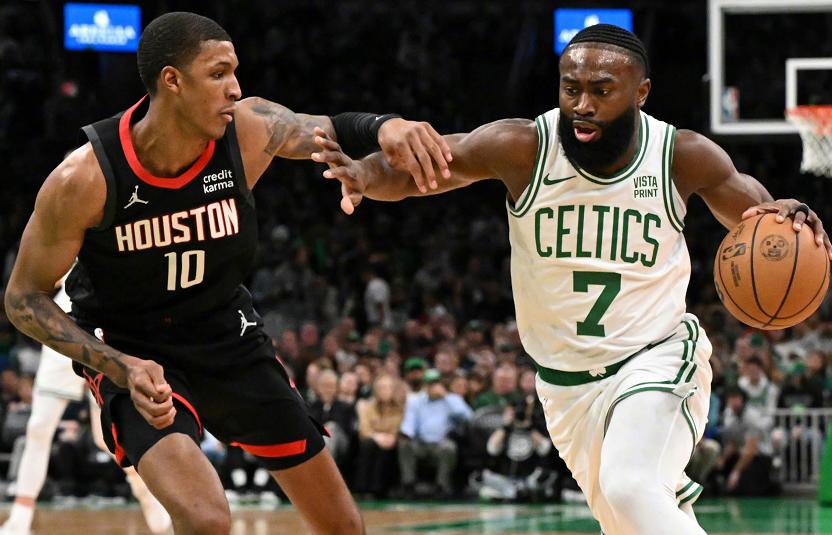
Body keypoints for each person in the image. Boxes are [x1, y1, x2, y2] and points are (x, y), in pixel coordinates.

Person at [313, 23, 832, 535]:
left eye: (602, 91)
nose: (583, 104)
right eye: (571, 88)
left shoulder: (679, 155)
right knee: (634, 517)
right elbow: (419, 169)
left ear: (641, 93)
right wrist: (365, 175)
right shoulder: (522, 147)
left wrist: (783, 214)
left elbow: (757, 215)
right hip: (565, 387)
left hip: (655, 358)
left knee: (630, 487)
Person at [3, 11, 450, 535]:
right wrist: (119, 366)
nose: (235, 88)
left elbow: (329, 128)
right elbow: (23, 298)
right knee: (206, 518)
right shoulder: (85, 177)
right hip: (136, 348)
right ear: (172, 81)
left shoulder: (248, 130)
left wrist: (386, 126)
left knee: (343, 527)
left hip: (227, 336)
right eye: (218, 74)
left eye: (235, 72)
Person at [1, 275, 170, 535]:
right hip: (64, 324)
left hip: (105, 329)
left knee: (108, 439)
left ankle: (145, 490)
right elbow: (45, 277)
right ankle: (20, 519)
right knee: (39, 427)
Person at [398, 368, 472, 498]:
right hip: (421, 443)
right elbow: (409, 423)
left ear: (442, 384)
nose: (433, 387)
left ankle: (442, 486)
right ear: (425, 385)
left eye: (436, 383)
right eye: (430, 384)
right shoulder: (416, 401)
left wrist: (446, 396)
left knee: (449, 447)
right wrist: (406, 434)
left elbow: (468, 417)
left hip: (441, 443)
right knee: (404, 444)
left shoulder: (452, 399)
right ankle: (408, 485)